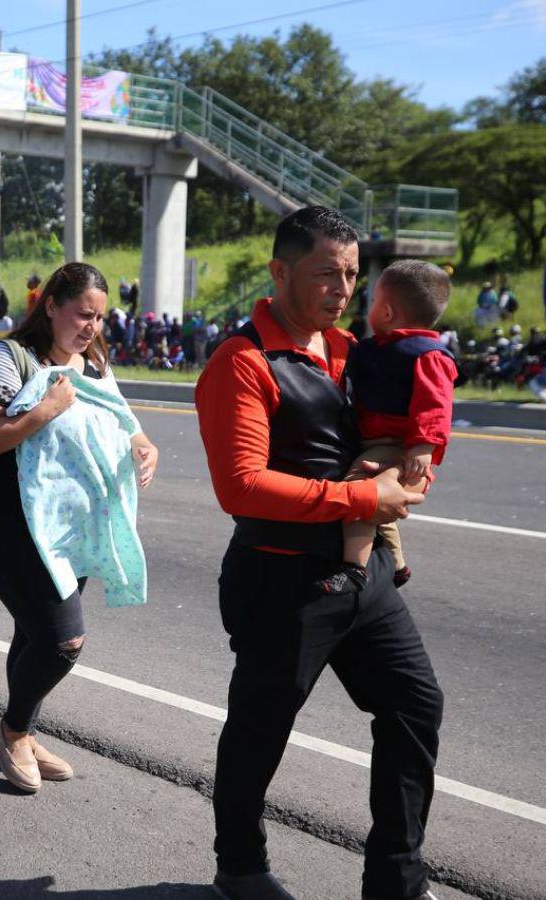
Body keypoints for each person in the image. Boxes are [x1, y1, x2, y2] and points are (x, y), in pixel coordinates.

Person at [195, 207, 442, 900]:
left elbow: (401, 427)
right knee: (260, 729)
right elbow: (242, 487)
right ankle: (239, 867)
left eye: (352, 275)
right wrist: (365, 502)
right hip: (282, 578)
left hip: (363, 577)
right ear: (279, 272)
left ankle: (396, 877)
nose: (342, 288)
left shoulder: (351, 350)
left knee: (415, 706)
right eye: (326, 273)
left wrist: (414, 468)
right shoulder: (241, 362)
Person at [0, 262, 159, 794]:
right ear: (50, 306)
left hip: (71, 529)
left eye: (99, 317)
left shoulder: (92, 362)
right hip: (9, 526)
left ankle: (21, 731)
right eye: (82, 313)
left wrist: (144, 445)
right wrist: (44, 410)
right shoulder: (10, 358)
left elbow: (123, 419)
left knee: (35, 633)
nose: (92, 326)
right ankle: (13, 730)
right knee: (62, 640)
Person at [325, 261, 458, 594]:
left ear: (386, 312)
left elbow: (435, 404)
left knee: (360, 493)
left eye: (372, 303)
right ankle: (397, 567)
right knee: (378, 507)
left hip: (398, 445)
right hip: (374, 442)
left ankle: (353, 568)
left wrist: (423, 447)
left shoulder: (427, 355)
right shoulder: (373, 348)